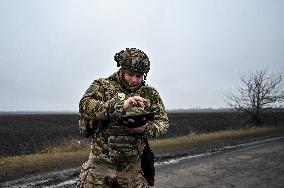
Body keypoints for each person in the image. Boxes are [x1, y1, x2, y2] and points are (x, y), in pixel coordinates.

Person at [77, 48, 169, 188]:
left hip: (132, 168)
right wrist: (120, 106)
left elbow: (162, 122)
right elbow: (85, 105)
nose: (134, 80)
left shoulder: (150, 93)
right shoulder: (103, 86)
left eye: (139, 76)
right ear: (122, 70)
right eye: (130, 74)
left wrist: (145, 128)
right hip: (100, 166)